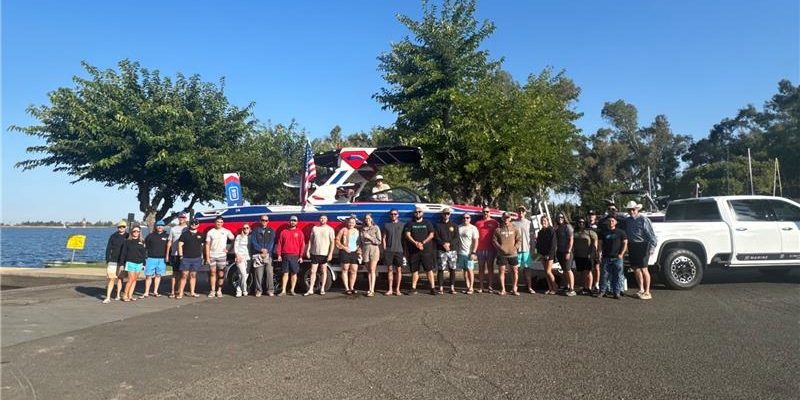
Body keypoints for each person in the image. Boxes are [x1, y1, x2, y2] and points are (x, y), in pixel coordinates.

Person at [624, 200, 658, 300]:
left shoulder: (643, 219)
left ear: (637, 209)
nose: (631, 212)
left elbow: (651, 235)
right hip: (632, 245)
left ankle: (647, 291)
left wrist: (652, 247)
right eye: (629, 210)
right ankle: (641, 289)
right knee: (635, 268)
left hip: (643, 245)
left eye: (633, 210)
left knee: (644, 269)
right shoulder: (627, 220)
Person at [404, 207, 437, 295]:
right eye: (416, 212)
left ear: (422, 213)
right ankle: (413, 288)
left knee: (429, 269)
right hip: (414, 251)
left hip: (426, 251)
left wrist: (423, 242)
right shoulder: (410, 223)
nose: (418, 213)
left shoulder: (427, 223)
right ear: (414, 213)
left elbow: (432, 234)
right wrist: (416, 243)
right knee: (415, 270)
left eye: (419, 212)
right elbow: (407, 235)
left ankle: (432, 288)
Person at [305, 214, 335, 296]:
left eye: (324, 218)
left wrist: (330, 253)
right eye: (321, 218)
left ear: (327, 219)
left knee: (323, 271)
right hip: (315, 253)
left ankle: (322, 289)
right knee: (312, 271)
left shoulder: (330, 229)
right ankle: (311, 289)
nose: (322, 219)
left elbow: (332, 242)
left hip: (324, 254)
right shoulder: (315, 228)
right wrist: (308, 250)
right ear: (319, 219)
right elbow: (311, 240)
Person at [599, 215, 628, 299]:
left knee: (618, 275)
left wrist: (621, 254)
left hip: (617, 257)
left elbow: (625, 243)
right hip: (606, 257)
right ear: (606, 222)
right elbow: (600, 244)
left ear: (616, 222)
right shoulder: (603, 232)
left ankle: (617, 292)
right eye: (609, 221)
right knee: (604, 275)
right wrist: (599, 253)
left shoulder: (621, 232)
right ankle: (602, 291)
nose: (610, 222)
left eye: (612, 221)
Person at [205, 216, 234, 298]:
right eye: (218, 222)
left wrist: (229, 249)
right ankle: (212, 291)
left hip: (222, 256)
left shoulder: (226, 231)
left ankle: (219, 290)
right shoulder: (210, 232)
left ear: (223, 223)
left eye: (221, 222)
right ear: (215, 222)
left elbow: (234, 240)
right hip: (212, 255)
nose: (219, 223)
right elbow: (207, 245)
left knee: (221, 273)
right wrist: (207, 257)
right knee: (213, 273)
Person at [493, 212, 521, 295]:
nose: (506, 219)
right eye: (505, 217)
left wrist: (515, 248)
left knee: (515, 271)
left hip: (513, 254)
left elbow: (519, 240)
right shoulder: (498, 229)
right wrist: (500, 248)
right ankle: (503, 289)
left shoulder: (515, 228)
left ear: (510, 218)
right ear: (502, 218)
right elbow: (494, 241)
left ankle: (514, 289)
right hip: (502, 254)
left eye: (508, 217)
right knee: (501, 272)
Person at [276, 216, 305, 296]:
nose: (293, 222)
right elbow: (280, 244)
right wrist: (279, 255)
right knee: (285, 273)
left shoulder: (299, 232)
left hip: (295, 256)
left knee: (294, 273)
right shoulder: (283, 232)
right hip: (285, 255)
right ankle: (283, 291)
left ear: (297, 222)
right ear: (289, 221)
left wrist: (301, 256)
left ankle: (292, 290)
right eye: (291, 220)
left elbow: (302, 245)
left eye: (294, 221)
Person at [176, 219, 204, 299]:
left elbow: (203, 246)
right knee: (184, 275)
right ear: (190, 224)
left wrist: (202, 255)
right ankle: (180, 292)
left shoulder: (201, 235)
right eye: (192, 223)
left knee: (193, 275)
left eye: (196, 223)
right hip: (186, 258)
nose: (194, 224)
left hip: (196, 258)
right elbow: (180, 245)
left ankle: (192, 292)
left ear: (198, 225)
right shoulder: (184, 234)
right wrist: (181, 255)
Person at [434, 208, 459, 294]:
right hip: (441, 250)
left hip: (452, 250)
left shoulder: (454, 225)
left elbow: (456, 238)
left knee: (452, 269)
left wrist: (449, 244)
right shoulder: (438, 225)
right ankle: (441, 288)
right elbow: (436, 237)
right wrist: (443, 244)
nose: (446, 215)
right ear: (442, 215)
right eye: (444, 214)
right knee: (441, 269)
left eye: (447, 213)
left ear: (450, 215)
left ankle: (452, 287)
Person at [250, 215, 276, 297]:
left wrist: (266, 250)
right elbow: (253, 242)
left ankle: (270, 290)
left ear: (268, 221)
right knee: (258, 274)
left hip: (268, 255)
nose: (264, 221)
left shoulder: (271, 230)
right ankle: (258, 290)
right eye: (263, 220)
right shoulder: (255, 230)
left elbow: (272, 242)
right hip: (258, 255)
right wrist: (261, 250)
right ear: (260, 220)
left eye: (266, 220)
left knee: (269, 273)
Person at [475, 206, 499, 293]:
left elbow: (498, 235)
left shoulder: (494, 222)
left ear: (490, 212)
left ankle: (490, 286)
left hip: (491, 249)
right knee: (481, 268)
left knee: (490, 267)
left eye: (487, 212)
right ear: (482, 212)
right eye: (484, 211)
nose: (486, 213)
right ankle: (481, 286)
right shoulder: (478, 223)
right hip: (480, 249)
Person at [103, 220, 128, 303]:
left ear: (126, 227)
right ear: (118, 228)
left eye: (123, 227)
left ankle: (118, 295)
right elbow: (108, 248)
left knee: (120, 278)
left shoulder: (128, 236)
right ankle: (108, 297)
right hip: (113, 260)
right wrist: (107, 259)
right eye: (120, 227)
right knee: (111, 278)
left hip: (123, 261)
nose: (121, 228)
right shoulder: (113, 236)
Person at [142, 220, 169, 298]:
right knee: (148, 276)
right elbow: (145, 247)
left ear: (164, 227)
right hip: (151, 258)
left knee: (158, 275)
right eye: (158, 225)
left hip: (161, 259)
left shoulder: (167, 236)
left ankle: (155, 291)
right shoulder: (150, 236)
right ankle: (146, 292)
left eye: (162, 226)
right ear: (155, 226)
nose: (160, 227)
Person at [513, 206, 536, 294]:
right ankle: (515, 287)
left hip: (527, 250)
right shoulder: (513, 223)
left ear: (525, 212)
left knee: (527, 270)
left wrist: (533, 249)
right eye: (519, 211)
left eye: (523, 211)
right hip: (516, 250)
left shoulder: (529, 223)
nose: (521, 213)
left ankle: (529, 287)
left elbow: (532, 238)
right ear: (517, 212)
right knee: (516, 270)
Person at [120, 225, 146, 302]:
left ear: (140, 232)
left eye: (138, 231)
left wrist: (144, 264)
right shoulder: (127, 241)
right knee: (130, 280)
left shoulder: (142, 241)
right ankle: (125, 295)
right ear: (131, 232)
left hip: (139, 263)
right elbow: (123, 253)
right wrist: (122, 264)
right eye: (134, 231)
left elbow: (144, 254)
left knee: (135, 280)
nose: (136, 232)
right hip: (130, 262)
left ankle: (130, 295)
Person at [165, 212, 189, 298]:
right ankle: (172, 291)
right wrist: (167, 255)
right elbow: (169, 242)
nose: (181, 218)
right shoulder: (173, 229)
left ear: (186, 218)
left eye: (183, 217)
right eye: (180, 217)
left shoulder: (188, 229)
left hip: (185, 255)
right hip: (175, 254)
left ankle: (179, 290)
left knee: (183, 274)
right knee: (175, 274)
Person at [383, 209, 406, 296]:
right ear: (390, 215)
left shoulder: (403, 225)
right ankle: (390, 289)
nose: (393, 215)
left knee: (399, 270)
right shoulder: (386, 225)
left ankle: (397, 289)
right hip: (389, 251)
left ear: (398, 215)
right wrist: (385, 249)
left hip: (399, 250)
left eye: (395, 214)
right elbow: (384, 238)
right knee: (390, 270)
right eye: (392, 214)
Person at [573, 217, 598, 295]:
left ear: (585, 223)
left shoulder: (590, 232)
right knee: (582, 272)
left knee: (588, 271)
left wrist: (593, 253)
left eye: (583, 222)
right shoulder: (575, 232)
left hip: (588, 255)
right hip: (578, 255)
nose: (581, 223)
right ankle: (584, 287)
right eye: (579, 222)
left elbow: (595, 242)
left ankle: (589, 288)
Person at [336, 216, 361, 294]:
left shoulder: (357, 231)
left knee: (354, 270)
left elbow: (359, 243)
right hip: (345, 252)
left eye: (353, 222)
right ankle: (347, 288)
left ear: (355, 223)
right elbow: (337, 240)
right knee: (345, 270)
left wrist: (360, 253)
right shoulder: (343, 230)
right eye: (350, 222)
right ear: (347, 223)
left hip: (354, 252)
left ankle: (352, 287)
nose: (351, 224)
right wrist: (344, 247)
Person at [457, 213, 479, 294]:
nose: (465, 219)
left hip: (469, 253)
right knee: (464, 271)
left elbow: (476, 241)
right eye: (464, 218)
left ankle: (471, 288)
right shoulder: (459, 227)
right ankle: (467, 286)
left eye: (467, 217)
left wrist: (474, 252)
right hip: (460, 252)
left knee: (470, 270)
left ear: (470, 219)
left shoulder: (473, 228)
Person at [535, 216, 558, 295]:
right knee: (546, 272)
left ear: (548, 221)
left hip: (549, 255)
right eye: (542, 221)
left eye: (544, 220)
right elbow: (538, 244)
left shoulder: (551, 231)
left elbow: (553, 244)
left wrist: (549, 254)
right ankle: (550, 288)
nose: (543, 222)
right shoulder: (540, 232)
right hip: (542, 254)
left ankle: (555, 287)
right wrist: (540, 253)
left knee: (548, 271)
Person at [555, 212, 576, 296]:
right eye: (559, 217)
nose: (560, 218)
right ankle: (567, 286)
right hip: (559, 252)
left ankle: (572, 289)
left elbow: (571, 240)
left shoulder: (568, 226)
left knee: (568, 269)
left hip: (567, 252)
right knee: (564, 270)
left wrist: (568, 251)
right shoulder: (557, 227)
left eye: (562, 217)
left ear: (564, 218)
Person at [360, 213, 382, 297]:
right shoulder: (362, 229)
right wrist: (360, 251)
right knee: (368, 270)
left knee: (372, 269)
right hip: (365, 249)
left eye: (369, 218)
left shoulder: (376, 228)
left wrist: (369, 237)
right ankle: (369, 289)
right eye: (366, 218)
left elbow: (379, 241)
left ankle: (372, 289)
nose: (367, 220)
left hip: (374, 248)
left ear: (372, 219)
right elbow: (361, 242)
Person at [233, 224, 251, 297]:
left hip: (249, 258)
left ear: (249, 229)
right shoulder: (239, 237)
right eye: (244, 228)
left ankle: (239, 290)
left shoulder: (251, 237)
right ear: (242, 229)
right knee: (243, 274)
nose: (245, 229)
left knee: (243, 276)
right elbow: (235, 247)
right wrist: (237, 256)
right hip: (240, 258)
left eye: (247, 228)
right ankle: (244, 290)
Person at [587, 210, 601, 293]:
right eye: (589, 215)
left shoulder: (598, 226)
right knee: (589, 268)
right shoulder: (584, 225)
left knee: (596, 267)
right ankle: (589, 285)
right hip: (586, 249)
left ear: (595, 216)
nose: (591, 216)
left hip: (596, 249)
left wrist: (599, 250)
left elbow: (600, 240)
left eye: (592, 215)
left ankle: (596, 284)